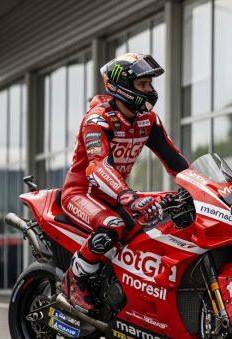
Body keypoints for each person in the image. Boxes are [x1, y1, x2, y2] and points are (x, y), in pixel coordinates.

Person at [61, 53, 189, 313]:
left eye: (150, 85)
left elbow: (175, 162)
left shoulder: (148, 120)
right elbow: (97, 166)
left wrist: (203, 188)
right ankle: (75, 280)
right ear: (121, 86)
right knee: (112, 225)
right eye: (143, 85)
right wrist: (128, 196)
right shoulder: (97, 119)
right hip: (82, 194)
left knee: (173, 206)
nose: (150, 91)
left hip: (117, 195)